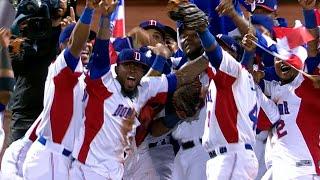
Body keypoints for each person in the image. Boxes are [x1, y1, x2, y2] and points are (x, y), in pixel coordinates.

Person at [8, 0, 68, 143]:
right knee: (16, 162)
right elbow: (17, 63)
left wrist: (62, 34)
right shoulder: (19, 41)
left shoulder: (65, 34)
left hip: (52, 114)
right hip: (25, 113)